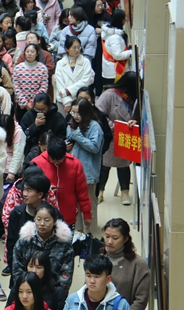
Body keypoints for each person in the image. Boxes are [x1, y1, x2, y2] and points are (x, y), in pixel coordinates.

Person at [12, 204, 75, 293]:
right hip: (27, 290)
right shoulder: (25, 240)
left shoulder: (64, 244)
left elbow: (66, 274)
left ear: (55, 221)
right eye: (38, 219)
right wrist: (25, 289)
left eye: (47, 220)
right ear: (34, 219)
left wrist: (57, 293)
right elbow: (17, 268)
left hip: (54, 291)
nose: (42, 223)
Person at [96, 72, 138, 205]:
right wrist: (112, 126)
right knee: (105, 166)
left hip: (126, 136)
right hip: (111, 136)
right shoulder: (109, 94)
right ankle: (100, 191)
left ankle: (125, 192)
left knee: (124, 166)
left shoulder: (135, 96)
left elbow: (137, 113)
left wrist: (134, 121)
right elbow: (98, 114)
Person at [34, 137, 92, 228]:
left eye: (59, 160)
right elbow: (29, 189)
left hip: (67, 215)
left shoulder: (75, 164)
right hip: (42, 218)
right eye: (53, 159)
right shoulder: (37, 163)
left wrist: (87, 214)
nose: (56, 162)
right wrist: (46, 189)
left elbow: (82, 192)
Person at [53, 36, 93, 113]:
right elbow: (60, 84)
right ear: (67, 49)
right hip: (63, 100)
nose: (77, 50)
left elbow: (85, 81)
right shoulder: (60, 63)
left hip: (80, 100)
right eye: (74, 48)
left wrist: (67, 91)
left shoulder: (85, 62)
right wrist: (67, 102)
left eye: (78, 47)